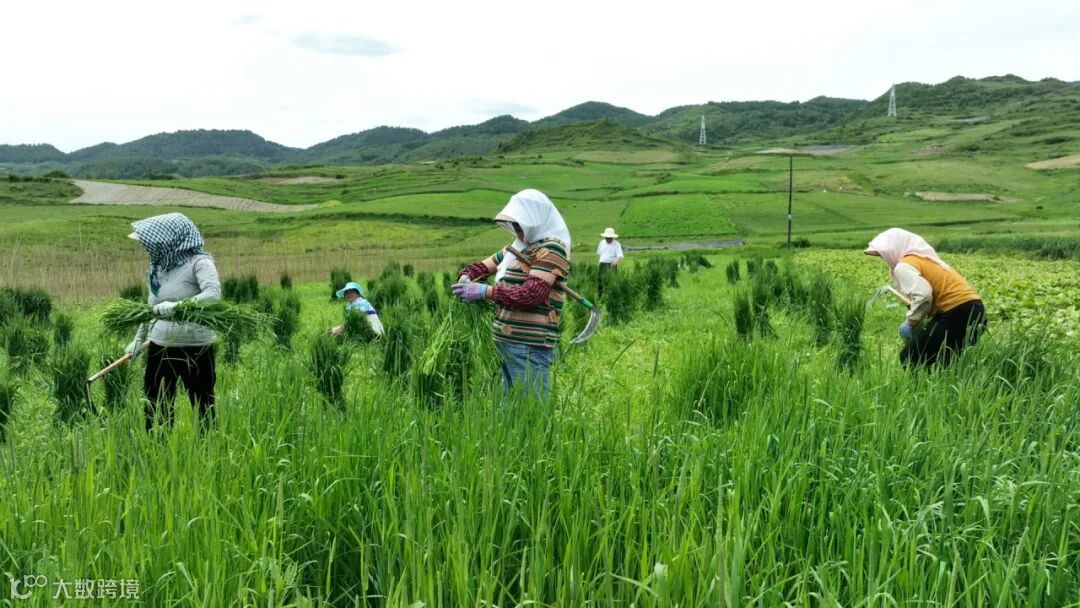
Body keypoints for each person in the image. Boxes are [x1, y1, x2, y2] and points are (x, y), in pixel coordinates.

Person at [452, 189, 571, 402]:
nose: (516, 230)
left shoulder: (552, 250)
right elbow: (482, 267)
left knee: (530, 407)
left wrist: (484, 291)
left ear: (534, 220)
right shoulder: (516, 249)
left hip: (530, 344)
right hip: (506, 340)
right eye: (514, 224)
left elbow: (531, 294)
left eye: (520, 224)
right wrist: (466, 276)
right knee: (510, 407)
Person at [124, 213, 221, 431]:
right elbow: (151, 307)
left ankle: (208, 446)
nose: (147, 248)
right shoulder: (158, 267)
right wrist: (139, 338)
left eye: (151, 243)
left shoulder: (200, 262)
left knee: (203, 405)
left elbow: (213, 295)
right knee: (156, 404)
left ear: (169, 240)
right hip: (160, 345)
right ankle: (157, 445)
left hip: (195, 346)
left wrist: (177, 306)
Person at [864, 228, 987, 368]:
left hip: (957, 312)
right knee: (946, 363)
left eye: (883, 255)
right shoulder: (924, 259)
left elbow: (923, 296)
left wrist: (911, 322)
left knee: (910, 357)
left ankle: (915, 383)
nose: (884, 259)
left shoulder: (904, 266)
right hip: (976, 311)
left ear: (893, 250)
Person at [596, 227, 623, 298]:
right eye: (607, 238)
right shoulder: (601, 243)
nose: (608, 239)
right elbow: (600, 254)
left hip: (611, 265)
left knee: (612, 281)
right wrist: (599, 263)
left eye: (609, 238)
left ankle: (612, 296)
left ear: (612, 237)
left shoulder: (617, 244)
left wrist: (616, 261)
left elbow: (620, 255)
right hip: (602, 264)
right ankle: (600, 297)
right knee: (600, 281)